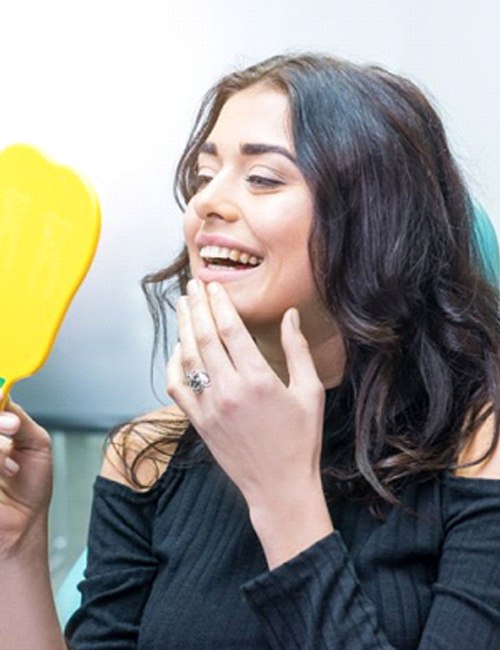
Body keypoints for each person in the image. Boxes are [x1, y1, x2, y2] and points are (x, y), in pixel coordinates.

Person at [1, 53, 500, 650]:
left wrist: (282, 495)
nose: (206, 203)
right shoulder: (148, 454)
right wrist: (17, 547)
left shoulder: (480, 445)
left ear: (377, 221)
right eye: (202, 176)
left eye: (262, 177)